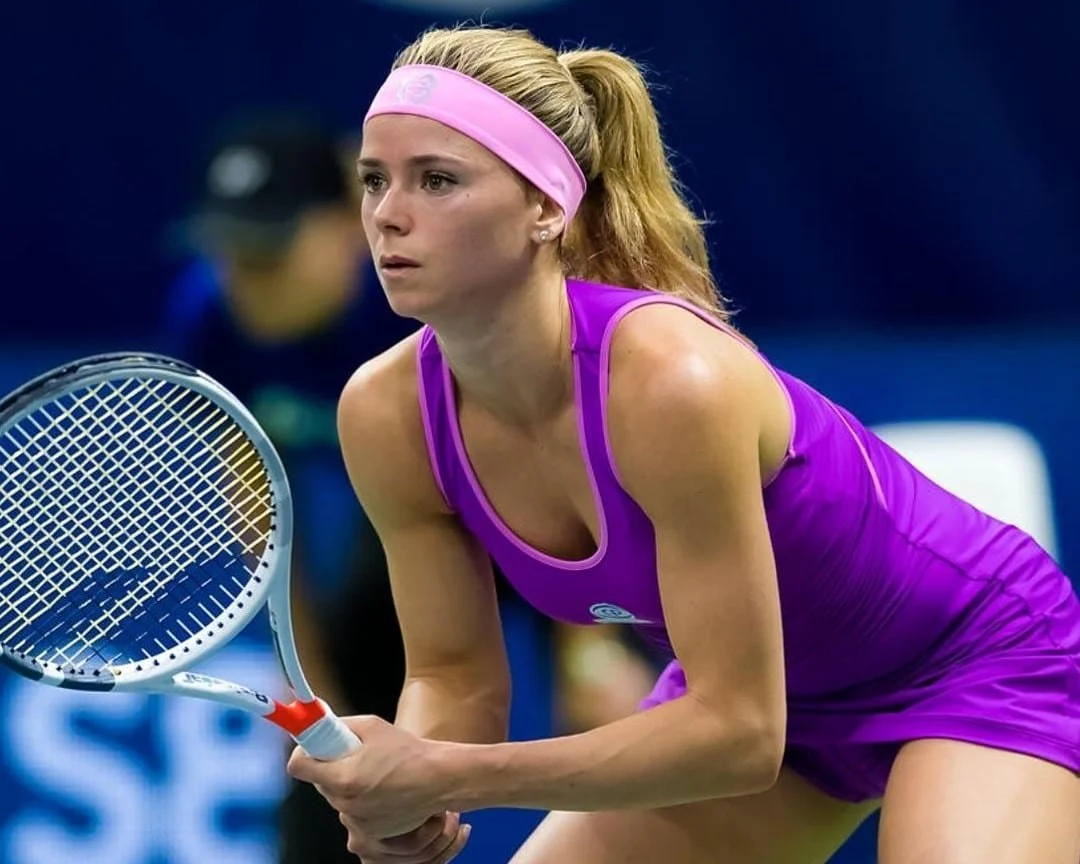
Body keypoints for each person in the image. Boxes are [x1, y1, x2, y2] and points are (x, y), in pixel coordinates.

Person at [287, 26, 1080, 864]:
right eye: (373, 180)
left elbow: (738, 736)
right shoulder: (384, 413)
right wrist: (410, 794)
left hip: (970, 665)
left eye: (437, 180)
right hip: (759, 706)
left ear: (546, 209)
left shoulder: (672, 383)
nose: (387, 215)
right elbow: (454, 676)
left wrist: (448, 773)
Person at [160, 115, 418, 864]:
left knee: (614, 701)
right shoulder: (207, 321)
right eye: (230, 251)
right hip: (402, 519)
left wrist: (588, 650)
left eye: (269, 252)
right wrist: (315, 702)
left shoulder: (420, 300)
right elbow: (269, 530)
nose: (245, 280)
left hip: (550, 515)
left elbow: (560, 466)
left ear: (348, 228)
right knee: (327, 762)